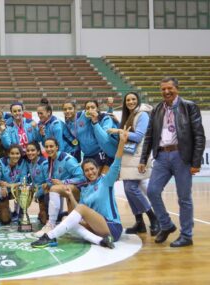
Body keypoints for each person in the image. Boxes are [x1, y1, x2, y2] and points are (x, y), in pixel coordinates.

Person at [31, 126, 130, 249]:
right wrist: (70, 195)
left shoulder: (106, 181)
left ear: (97, 169)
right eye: (86, 170)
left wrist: (122, 142)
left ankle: (49, 236)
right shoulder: (85, 189)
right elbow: (79, 209)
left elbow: (117, 161)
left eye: (92, 169)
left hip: (112, 226)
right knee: (67, 219)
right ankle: (101, 241)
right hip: (97, 228)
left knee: (80, 210)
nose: (90, 172)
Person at [139, 77, 206, 247]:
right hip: (161, 156)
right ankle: (167, 225)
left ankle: (186, 235)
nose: (166, 92)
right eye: (163, 89)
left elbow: (199, 135)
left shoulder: (189, 106)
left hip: (181, 156)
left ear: (177, 88)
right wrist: (143, 158)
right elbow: (149, 136)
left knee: (184, 198)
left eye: (170, 88)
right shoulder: (157, 109)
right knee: (153, 191)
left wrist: (196, 162)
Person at [107, 92, 159, 236]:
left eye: (133, 99)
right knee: (128, 191)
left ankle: (154, 218)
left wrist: (119, 130)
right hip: (129, 157)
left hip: (137, 157)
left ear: (138, 100)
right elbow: (129, 131)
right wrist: (119, 123)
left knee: (131, 189)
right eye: (128, 100)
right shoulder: (130, 115)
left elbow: (138, 136)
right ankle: (140, 223)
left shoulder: (142, 115)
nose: (130, 102)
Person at [34, 138, 85, 238]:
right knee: (73, 222)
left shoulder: (67, 159)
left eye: (51, 146)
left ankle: (51, 224)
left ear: (57, 147)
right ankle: (61, 217)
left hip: (80, 189)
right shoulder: (51, 159)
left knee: (54, 189)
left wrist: (63, 182)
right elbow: (51, 179)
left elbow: (82, 178)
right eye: (47, 147)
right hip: (67, 189)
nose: (49, 149)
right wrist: (41, 190)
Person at [25, 142, 49, 225]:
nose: (30, 153)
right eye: (28, 151)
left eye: (32, 150)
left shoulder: (44, 163)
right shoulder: (31, 163)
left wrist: (37, 194)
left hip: (47, 192)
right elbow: (34, 181)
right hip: (40, 191)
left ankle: (49, 214)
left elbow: (48, 183)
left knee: (44, 220)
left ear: (38, 152)